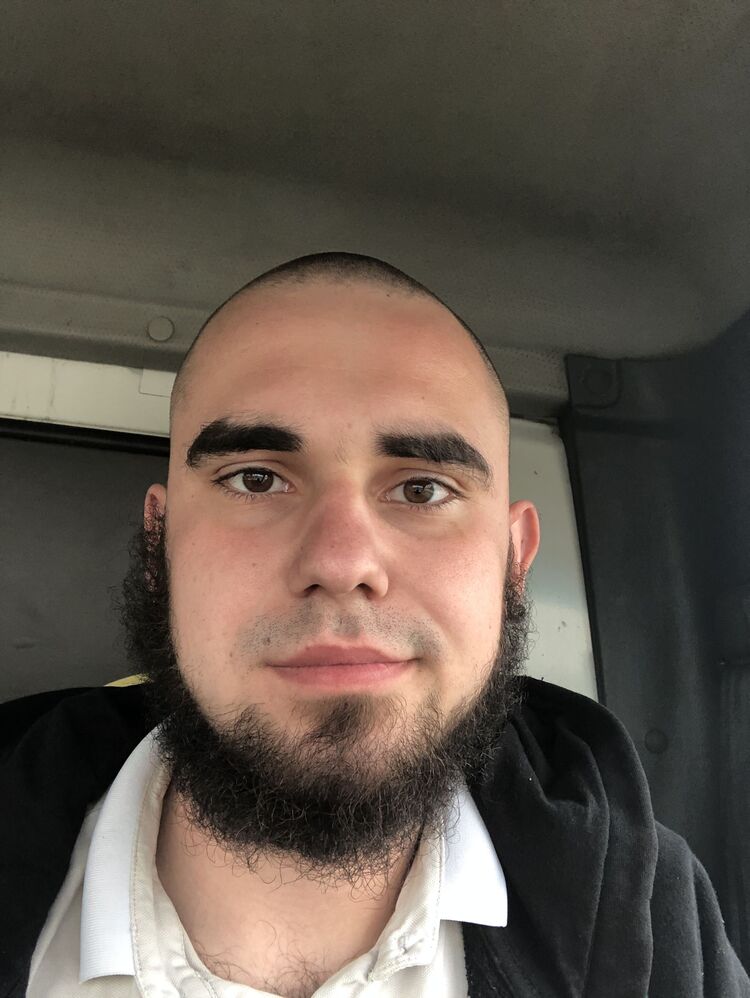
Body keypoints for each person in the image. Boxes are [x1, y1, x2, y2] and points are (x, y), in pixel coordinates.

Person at [3, 253, 747, 998]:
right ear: (159, 543)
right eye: (256, 479)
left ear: (513, 561)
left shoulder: (659, 929)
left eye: (422, 489)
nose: (341, 562)